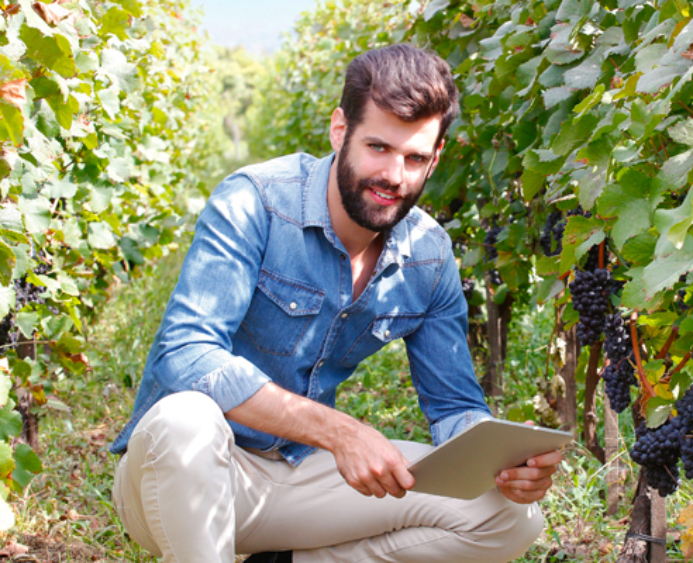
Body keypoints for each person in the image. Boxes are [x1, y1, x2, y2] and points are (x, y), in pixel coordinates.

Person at [109, 44, 561, 563]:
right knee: (187, 417)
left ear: (435, 159)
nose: (394, 175)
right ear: (339, 130)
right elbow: (185, 356)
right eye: (378, 147)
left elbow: (455, 407)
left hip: (295, 477)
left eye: (415, 158)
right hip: (175, 479)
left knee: (505, 516)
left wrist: (501, 459)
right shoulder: (254, 201)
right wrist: (340, 431)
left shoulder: (428, 254)